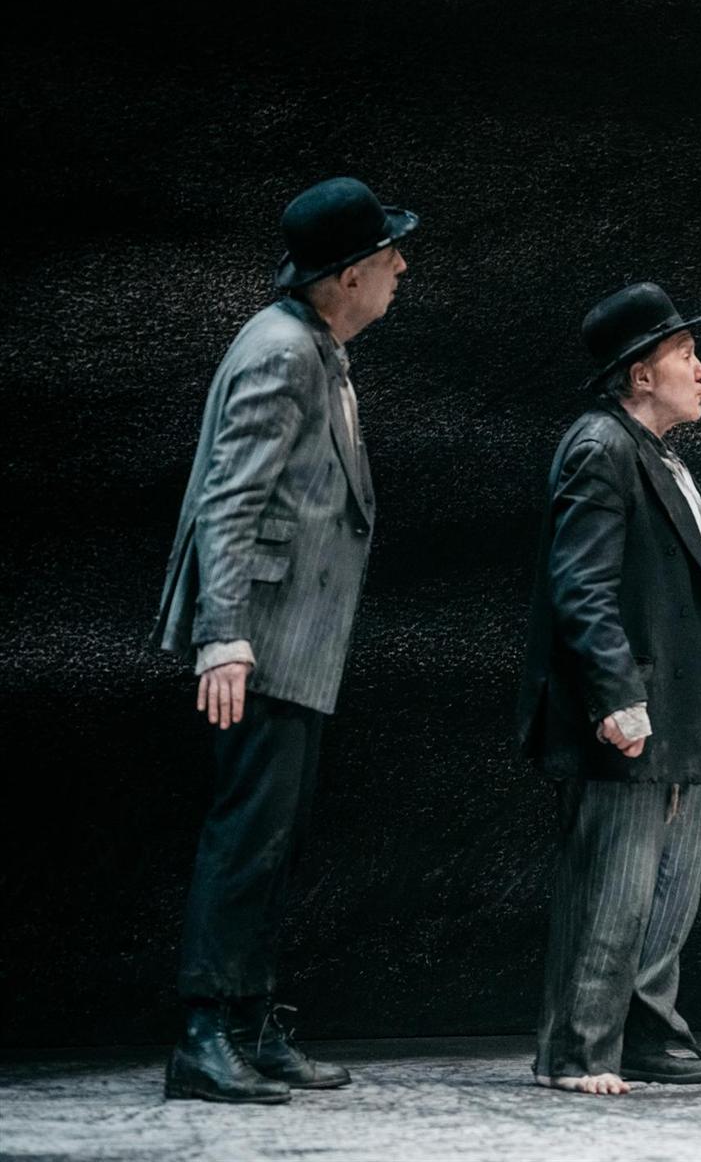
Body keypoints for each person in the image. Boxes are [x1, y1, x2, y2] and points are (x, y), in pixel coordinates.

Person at [152, 176, 416, 1103]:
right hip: (261, 642)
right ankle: (205, 1035)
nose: (401, 267)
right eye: (388, 254)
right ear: (347, 275)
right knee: (246, 840)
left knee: (275, 841)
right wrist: (223, 636)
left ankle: (250, 1023)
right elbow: (230, 498)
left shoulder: (315, 347)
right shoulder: (283, 351)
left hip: (294, 643)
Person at [517, 281, 701, 1096]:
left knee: (668, 892)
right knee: (613, 884)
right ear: (641, 374)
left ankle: (644, 1034)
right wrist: (616, 695)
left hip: (690, 716)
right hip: (637, 711)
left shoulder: (657, 454)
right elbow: (581, 585)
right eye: (686, 354)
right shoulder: (602, 446)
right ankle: (577, 1050)